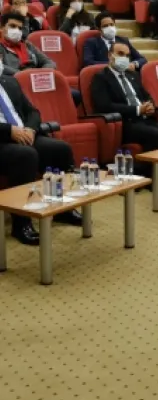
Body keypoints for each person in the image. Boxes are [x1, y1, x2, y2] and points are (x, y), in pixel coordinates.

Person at [0, 18, 82, 246]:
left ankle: (63, 206)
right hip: (3, 140)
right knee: (26, 156)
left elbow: (32, 111)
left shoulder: (9, 82)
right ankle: (21, 222)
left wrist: (30, 129)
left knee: (61, 150)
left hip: (24, 134)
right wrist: (10, 131)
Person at [91, 43, 158, 192]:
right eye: (120, 54)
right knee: (154, 135)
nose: (124, 58)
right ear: (110, 55)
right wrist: (136, 110)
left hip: (144, 118)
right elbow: (105, 106)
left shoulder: (132, 75)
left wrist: (150, 106)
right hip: (123, 123)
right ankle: (148, 177)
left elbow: (146, 96)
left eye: (127, 55)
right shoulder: (101, 77)